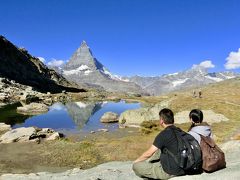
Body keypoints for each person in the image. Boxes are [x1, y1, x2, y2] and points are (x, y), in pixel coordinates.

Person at [132, 108, 186, 179]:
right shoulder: (180, 131)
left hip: (170, 172)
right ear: (172, 119)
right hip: (183, 168)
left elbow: (148, 154)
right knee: (160, 150)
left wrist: (135, 162)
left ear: (161, 121)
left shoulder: (164, 134)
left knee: (136, 166)